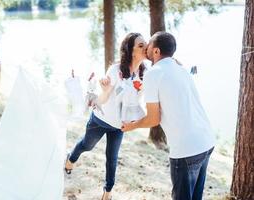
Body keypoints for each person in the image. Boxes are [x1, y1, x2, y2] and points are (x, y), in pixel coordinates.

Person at [122, 31, 215, 200]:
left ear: (156, 51)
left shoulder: (153, 73)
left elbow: (153, 119)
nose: (146, 48)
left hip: (187, 149)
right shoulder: (181, 69)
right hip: (207, 141)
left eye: (148, 45)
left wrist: (132, 125)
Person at [65, 32, 147, 200]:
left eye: (145, 43)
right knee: (87, 146)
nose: (145, 47)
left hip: (119, 126)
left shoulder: (146, 73)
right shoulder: (116, 70)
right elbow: (101, 101)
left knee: (112, 157)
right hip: (100, 120)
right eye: (140, 45)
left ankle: (107, 192)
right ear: (130, 51)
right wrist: (106, 90)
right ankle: (71, 159)